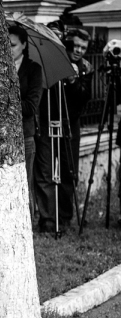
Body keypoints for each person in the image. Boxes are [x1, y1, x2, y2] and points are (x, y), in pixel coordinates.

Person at [34, 28, 94, 232]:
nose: (78, 50)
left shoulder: (86, 67)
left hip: (70, 123)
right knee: (45, 171)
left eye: (83, 47)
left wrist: (73, 80)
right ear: (68, 44)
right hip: (46, 120)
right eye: (75, 45)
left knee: (69, 172)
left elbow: (84, 98)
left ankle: (65, 218)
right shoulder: (47, 62)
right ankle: (48, 221)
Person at [9, 25, 44, 218]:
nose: (9, 49)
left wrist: (5, 102)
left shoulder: (33, 70)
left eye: (13, 45)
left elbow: (31, 106)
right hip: (2, 136)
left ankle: (27, 228)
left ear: (23, 44)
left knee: (25, 184)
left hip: (25, 135)